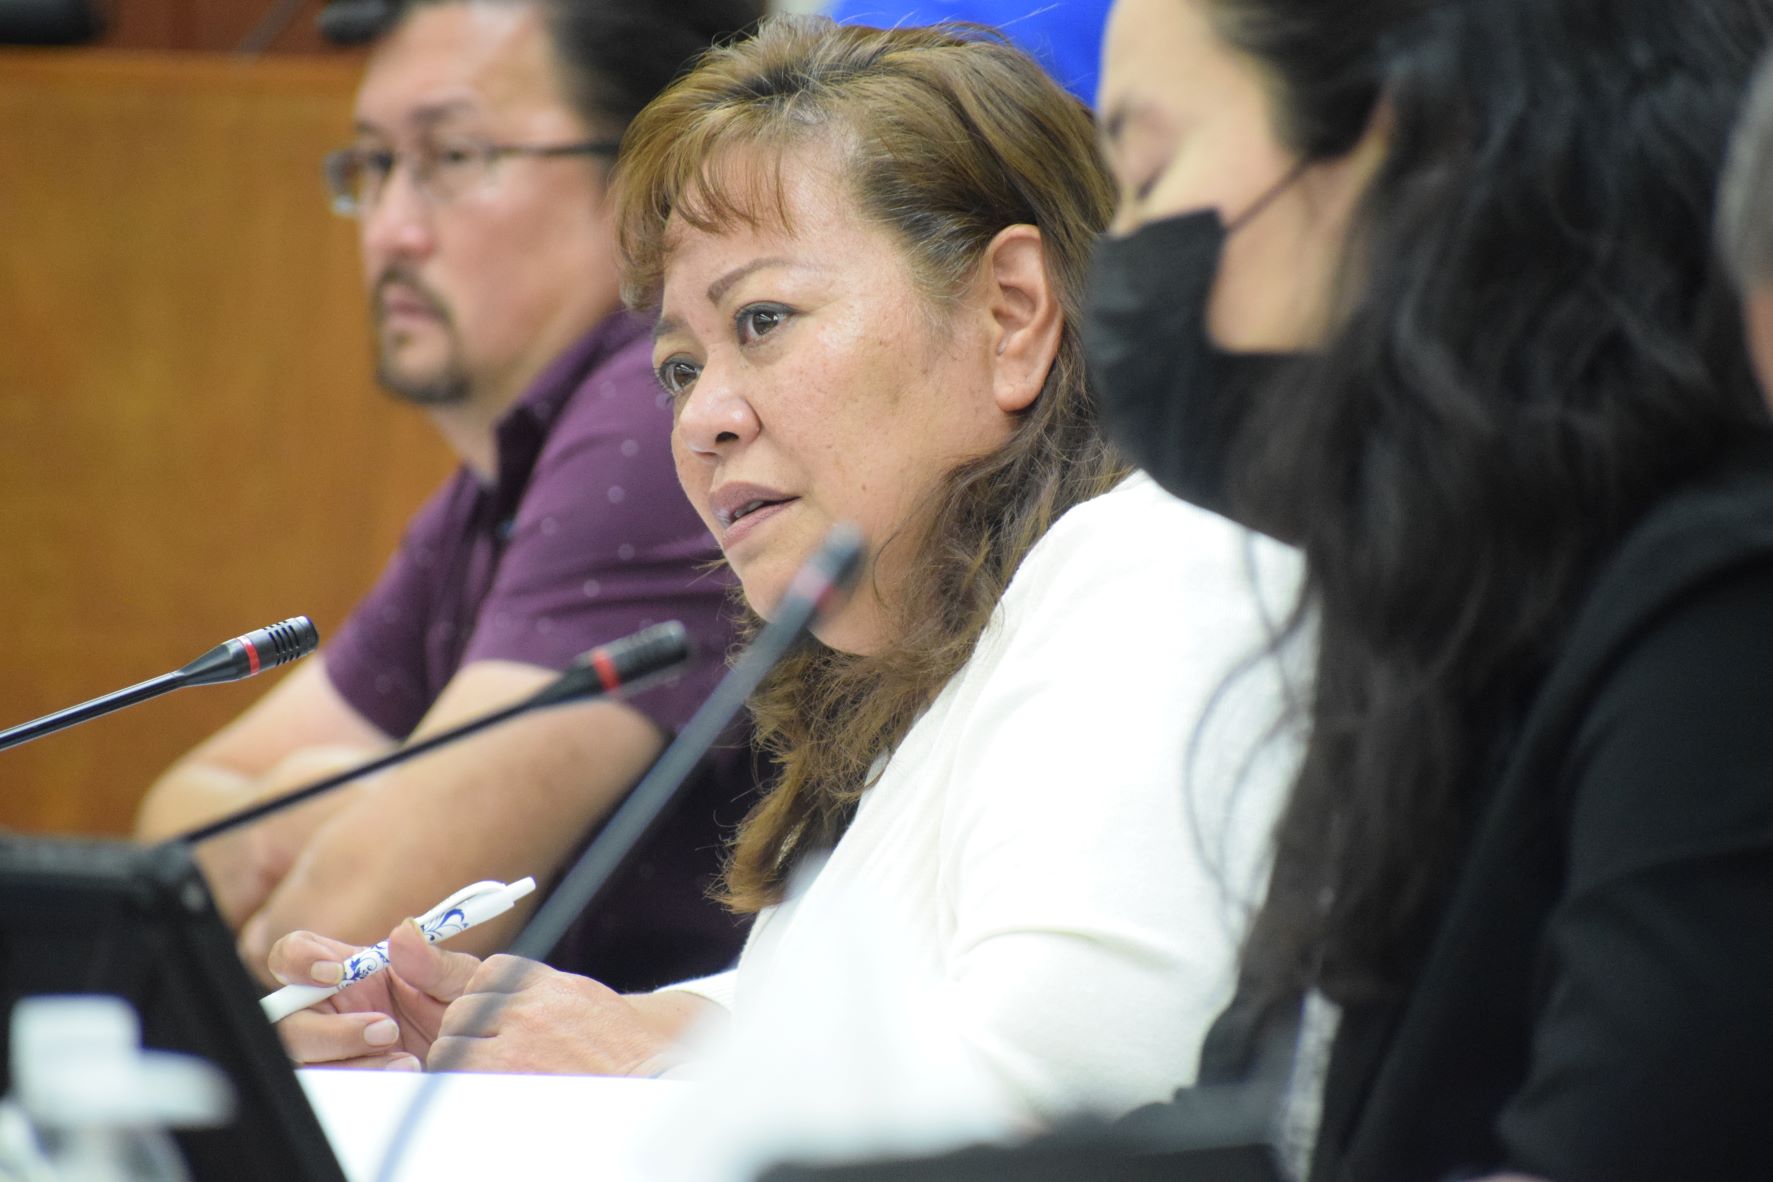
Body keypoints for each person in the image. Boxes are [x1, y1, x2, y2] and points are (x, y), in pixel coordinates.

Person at [267, 15, 1301, 1124]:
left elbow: (1062, 1098)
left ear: (1011, 315)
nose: (700, 420)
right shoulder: (942, 670)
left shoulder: (1150, 571)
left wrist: (636, 1070)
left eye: (763, 319)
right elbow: (809, 1023)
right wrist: (485, 1044)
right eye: (678, 368)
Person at [1085, 0, 1773, 1178]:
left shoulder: (1720, 616)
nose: (1123, 249)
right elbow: (1268, 1121)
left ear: (1401, 148)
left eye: (1147, 173)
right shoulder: (1434, 600)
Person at [134, 0, 765, 994]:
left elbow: (355, 929)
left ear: (639, 185)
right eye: (374, 164)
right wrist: (331, 802)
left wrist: (317, 811)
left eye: (454, 158)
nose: (390, 229)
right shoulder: (505, 471)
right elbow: (171, 833)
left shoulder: (660, 429)